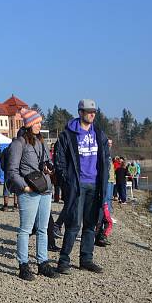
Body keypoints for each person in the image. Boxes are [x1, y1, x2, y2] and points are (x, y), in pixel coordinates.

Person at [55, 99, 109, 275]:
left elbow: (105, 159)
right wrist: (67, 182)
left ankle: (86, 260)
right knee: (73, 224)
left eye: (94, 111)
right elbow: (60, 162)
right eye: (88, 111)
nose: (92, 114)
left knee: (91, 224)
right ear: (80, 112)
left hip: (95, 185)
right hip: (77, 186)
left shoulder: (99, 133)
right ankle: (63, 261)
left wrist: (104, 178)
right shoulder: (67, 135)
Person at [6, 109, 59, 281]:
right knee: (25, 230)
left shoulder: (41, 141)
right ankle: (23, 265)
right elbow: (12, 171)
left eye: (40, 122)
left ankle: (42, 262)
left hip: (45, 189)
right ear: (29, 124)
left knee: (43, 229)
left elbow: (47, 161)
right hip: (29, 191)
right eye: (37, 123)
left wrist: (48, 167)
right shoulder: (18, 143)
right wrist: (24, 188)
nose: (40, 125)